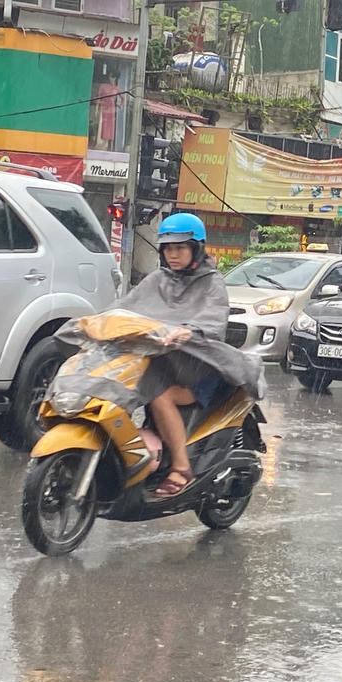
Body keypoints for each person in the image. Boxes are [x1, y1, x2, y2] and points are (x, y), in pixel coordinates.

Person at [109, 212, 229, 498]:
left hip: (197, 367)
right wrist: (101, 322)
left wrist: (191, 331)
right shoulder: (157, 279)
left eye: (180, 248)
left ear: (196, 248)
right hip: (160, 362)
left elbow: (213, 318)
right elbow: (126, 307)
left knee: (160, 395)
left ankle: (181, 467)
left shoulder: (212, 283)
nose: (173, 254)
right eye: (168, 248)